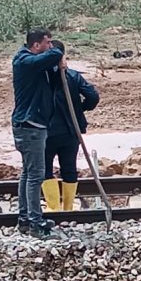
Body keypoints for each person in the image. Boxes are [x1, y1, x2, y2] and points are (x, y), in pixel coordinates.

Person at [11, 29, 63, 236]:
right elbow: (55, 53)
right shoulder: (24, 61)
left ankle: (25, 218)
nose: (50, 46)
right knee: (35, 175)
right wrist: (58, 50)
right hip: (30, 125)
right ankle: (34, 222)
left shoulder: (33, 62)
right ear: (36, 45)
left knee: (28, 173)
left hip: (30, 125)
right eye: (47, 42)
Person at [43, 40, 98, 212]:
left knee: (45, 169)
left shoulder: (42, 77)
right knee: (69, 168)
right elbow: (93, 97)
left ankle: (54, 207)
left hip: (47, 132)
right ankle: (67, 207)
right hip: (70, 130)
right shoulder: (73, 76)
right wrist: (79, 109)